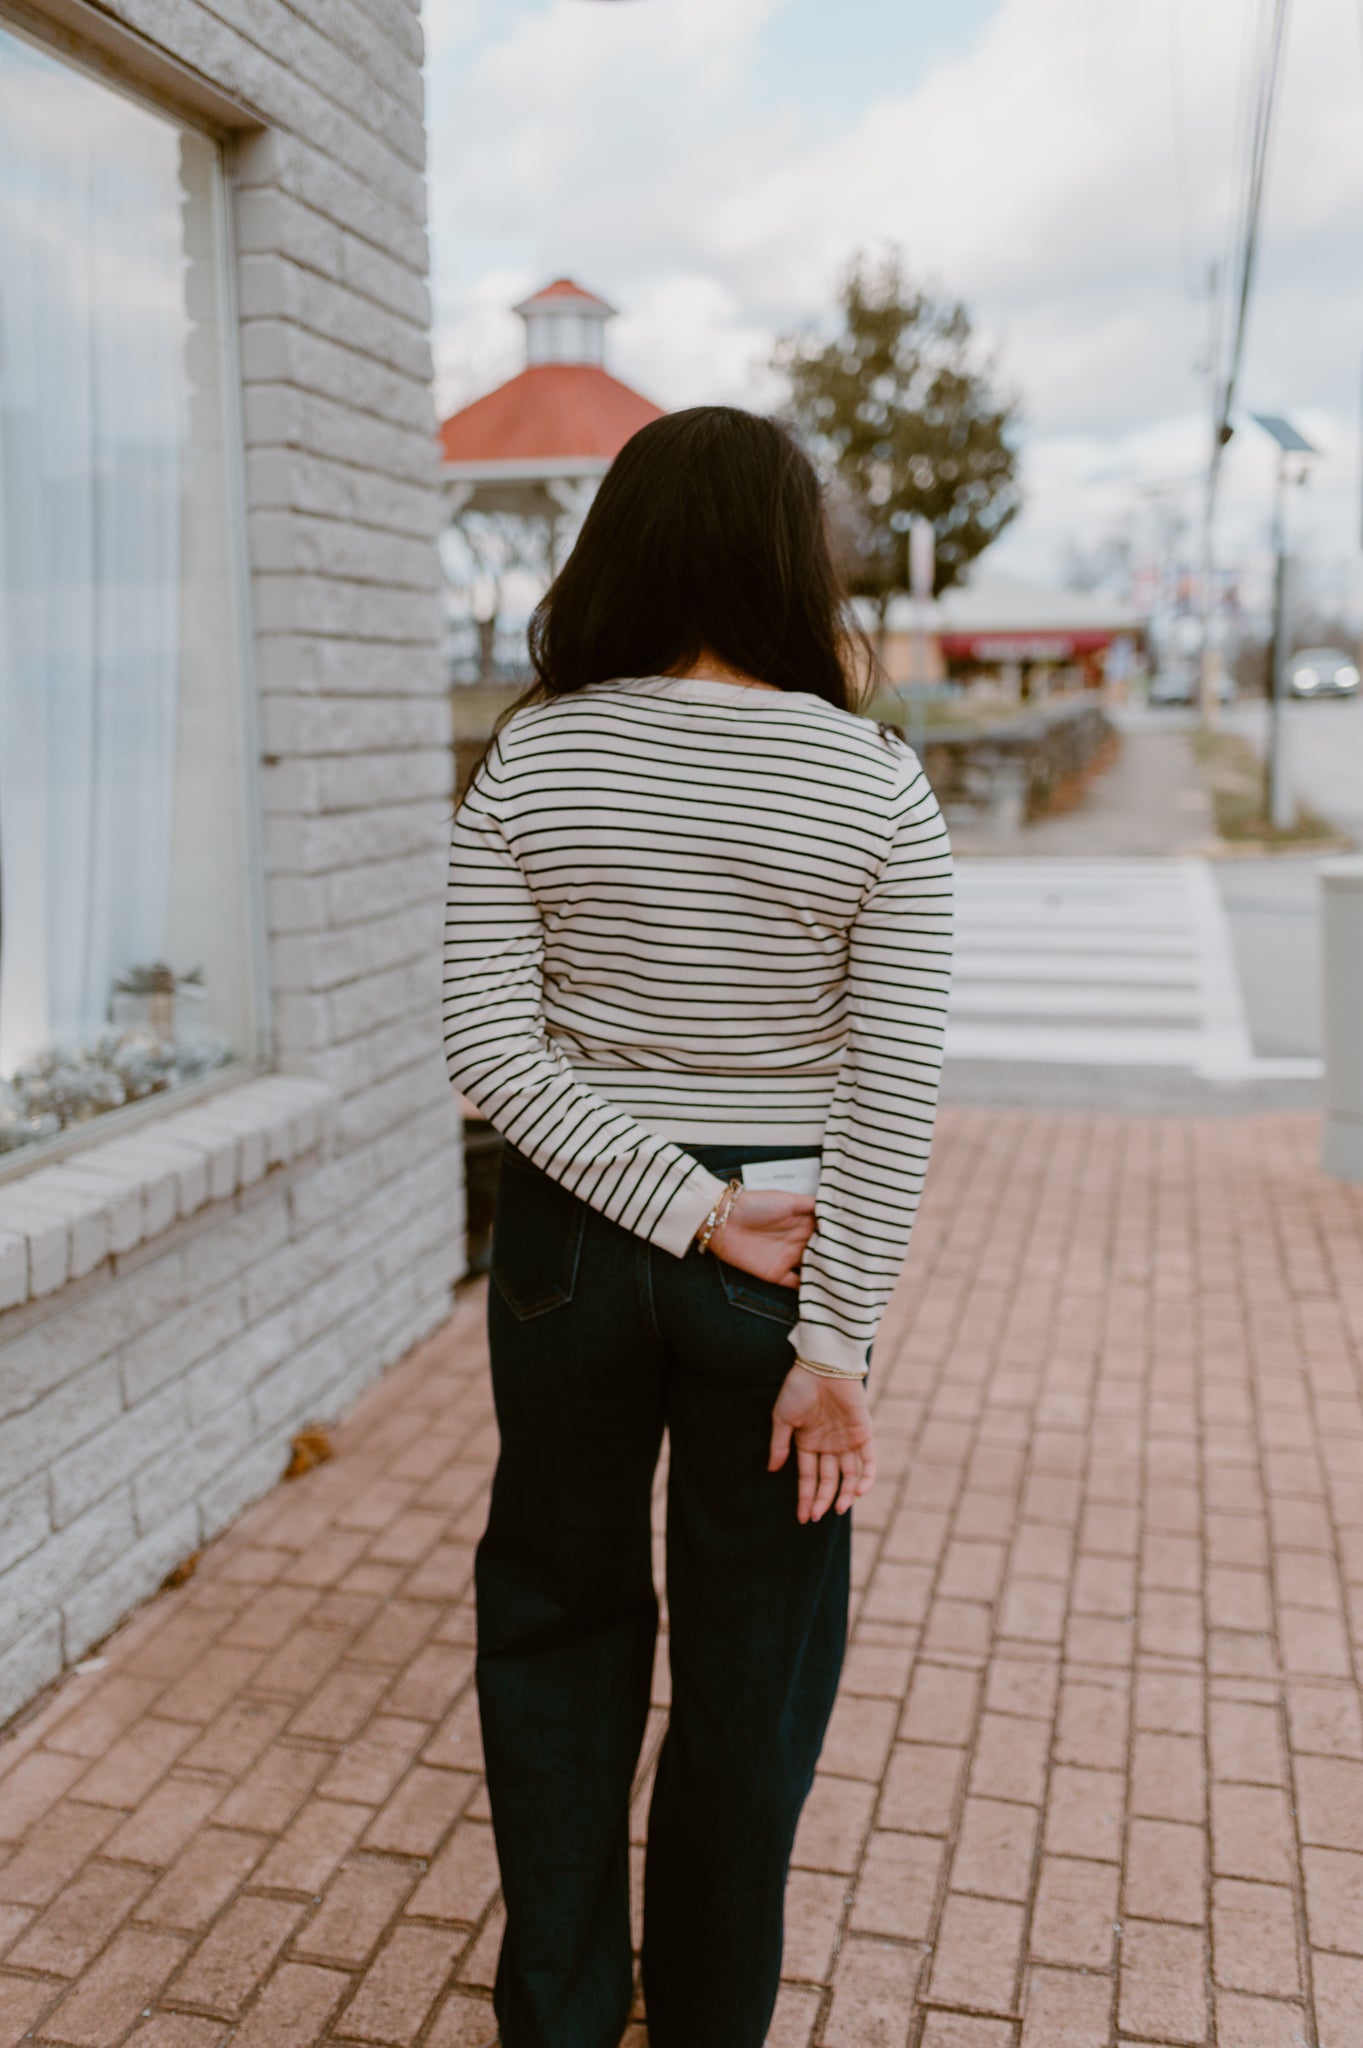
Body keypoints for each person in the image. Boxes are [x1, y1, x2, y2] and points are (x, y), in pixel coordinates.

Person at [442, 405, 953, 2048]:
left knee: (558, 1624)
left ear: (626, 547)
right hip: (787, 1248)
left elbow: (483, 1045)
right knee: (756, 1672)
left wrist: (671, 1203)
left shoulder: (536, 750)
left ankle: (566, 2013)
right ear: (792, 564)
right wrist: (835, 1342)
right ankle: (713, 2018)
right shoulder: (877, 783)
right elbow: (892, 1092)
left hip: (571, 1247)